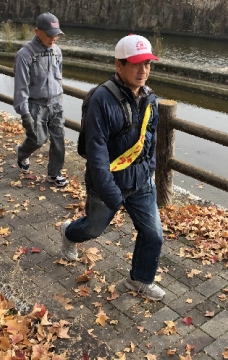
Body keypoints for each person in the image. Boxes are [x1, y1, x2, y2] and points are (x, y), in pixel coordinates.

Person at [59, 34, 165, 301]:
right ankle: (68, 232)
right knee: (93, 229)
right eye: (136, 64)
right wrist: (111, 194)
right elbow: (96, 152)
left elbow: (151, 139)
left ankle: (140, 280)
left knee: (153, 234)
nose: (143, 71)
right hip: (110, 183)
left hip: (141, 182)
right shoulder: (101, 100)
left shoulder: (150, 98)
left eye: (148, 64)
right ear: (119, 65)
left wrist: (149, 171)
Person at [13, 12, 67, 187]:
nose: (53, 38)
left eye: (56, 34)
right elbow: (21, 87)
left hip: (56, 103)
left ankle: (54, 173)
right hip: (36, 104)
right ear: (37, 31)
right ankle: (22, 153)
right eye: (49, 35)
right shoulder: (25, 54)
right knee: (37, 139)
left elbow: (59, 76)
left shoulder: (57, 51)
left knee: (59, 140)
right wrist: (24, 113)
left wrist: (60, 95)